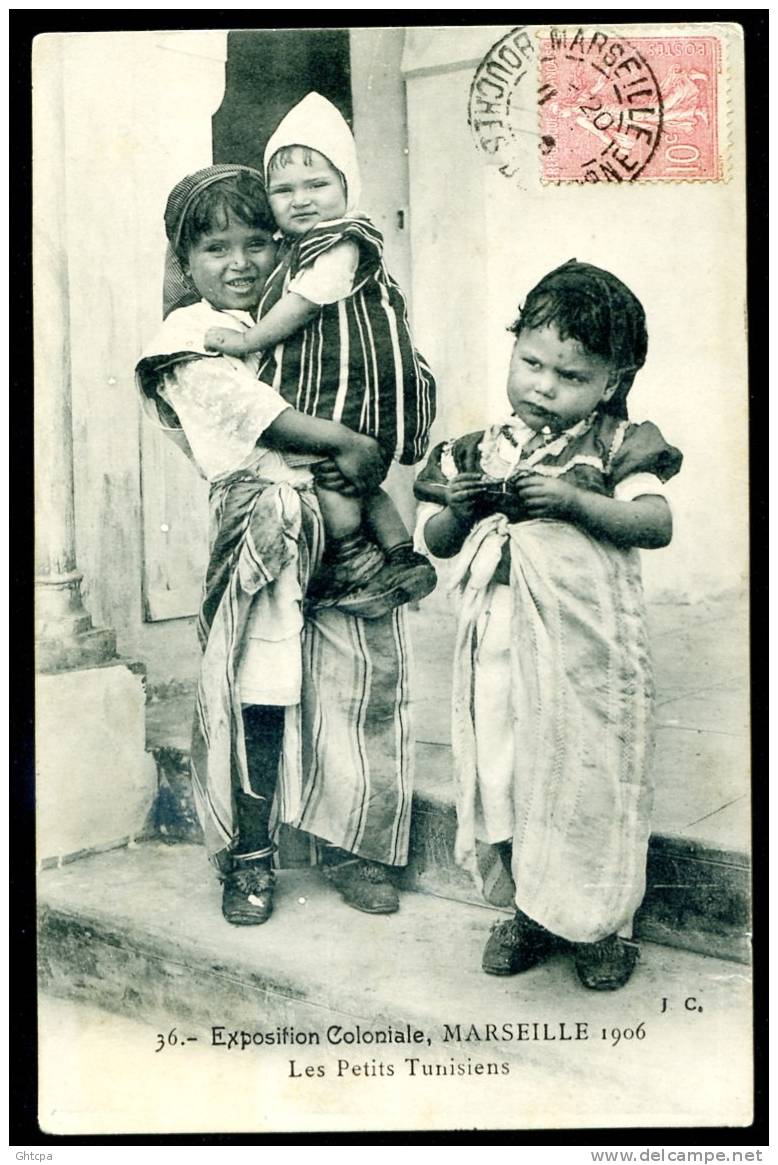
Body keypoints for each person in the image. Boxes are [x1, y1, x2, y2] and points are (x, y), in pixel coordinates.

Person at [136, 164, 415, 927]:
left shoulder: (309, 316)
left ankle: (355, 846)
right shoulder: (187, 335)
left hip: (341, 521)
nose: (241, 264)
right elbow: (247, 409)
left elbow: (382, 370)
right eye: (215, 248)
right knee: (259, 692)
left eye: (259, 243)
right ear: (183, 261)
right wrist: (347, 439)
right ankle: (251, 856)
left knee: (356, 686)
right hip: (264, 527)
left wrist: (373, 435)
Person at [415, 260, 683, 990]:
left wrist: (571, 503)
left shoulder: (615, 442)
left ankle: (601, 923)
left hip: (578, 652)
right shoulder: (481, 447)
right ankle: (531, 911)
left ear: (611, 381)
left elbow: (654, 521)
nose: (543, 384)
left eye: (570, 376)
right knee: (506, 774)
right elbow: (436, 540)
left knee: (583, 771)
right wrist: (463, 507)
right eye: (531, 362)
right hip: (496, 646)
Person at [203, 92, 437, 618]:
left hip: (347, 382)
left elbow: (305, 306)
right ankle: (401, 552)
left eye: (317, 184)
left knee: (324, 476)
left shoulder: (340, 241)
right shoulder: (295, 247)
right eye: (282, 189)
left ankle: (354, 558)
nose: (300, 199)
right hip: (338, 382)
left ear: (347, 187)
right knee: (351, 477)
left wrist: (248, 341)